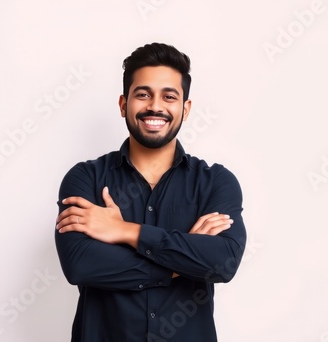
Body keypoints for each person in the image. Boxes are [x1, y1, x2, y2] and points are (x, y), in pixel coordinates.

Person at [55, 42, 246, 342]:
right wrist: (183, 262)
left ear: (185, 108)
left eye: (169, 96)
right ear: (123, 104)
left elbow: (223, 263)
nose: (155, 106)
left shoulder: (216, 183)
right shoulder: (85, 179)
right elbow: (80, 265)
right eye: (143, 94)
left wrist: (124, 231)